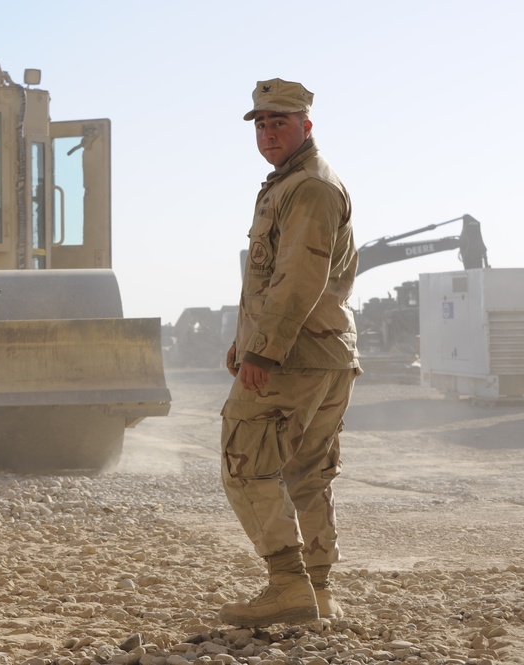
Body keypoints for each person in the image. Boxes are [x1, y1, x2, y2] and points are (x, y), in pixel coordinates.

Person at [217, 78, 361, 628]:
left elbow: (299, 277)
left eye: (280, 121)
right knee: (304, 473)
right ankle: (317, 594)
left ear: (306, 125)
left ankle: (287, 586)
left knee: (245, 463)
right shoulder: (294, 183)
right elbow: (272, 277)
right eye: (260, 122)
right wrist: (246, 340)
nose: (268, 131)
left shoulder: (309, 187)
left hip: (297, 356)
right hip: (324, 352)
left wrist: (266, 351)